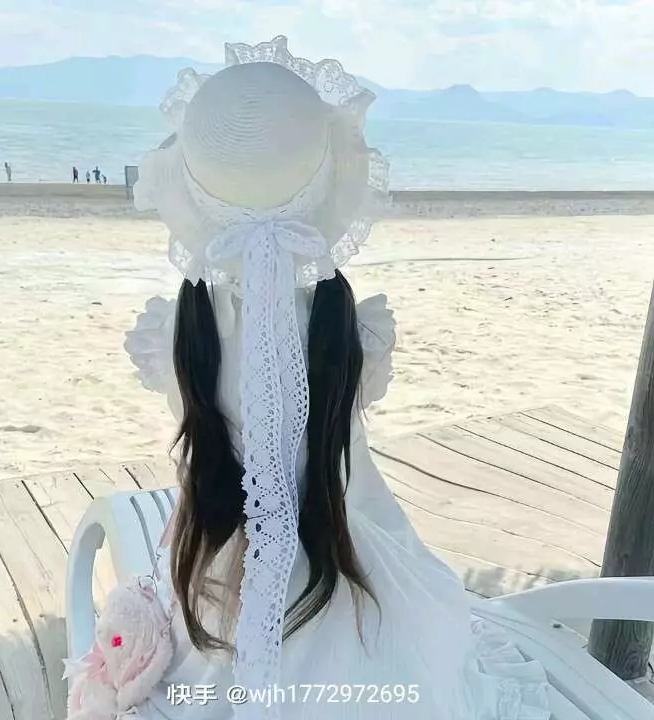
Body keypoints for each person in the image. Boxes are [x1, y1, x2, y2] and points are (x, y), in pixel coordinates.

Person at [64, 37, 552, 720]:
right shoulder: (348, 325)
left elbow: (203, 448)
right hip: (343, 557)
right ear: (325, 183)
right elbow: (344, 463)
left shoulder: (179, 330)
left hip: (215, 568)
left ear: (194, 192)